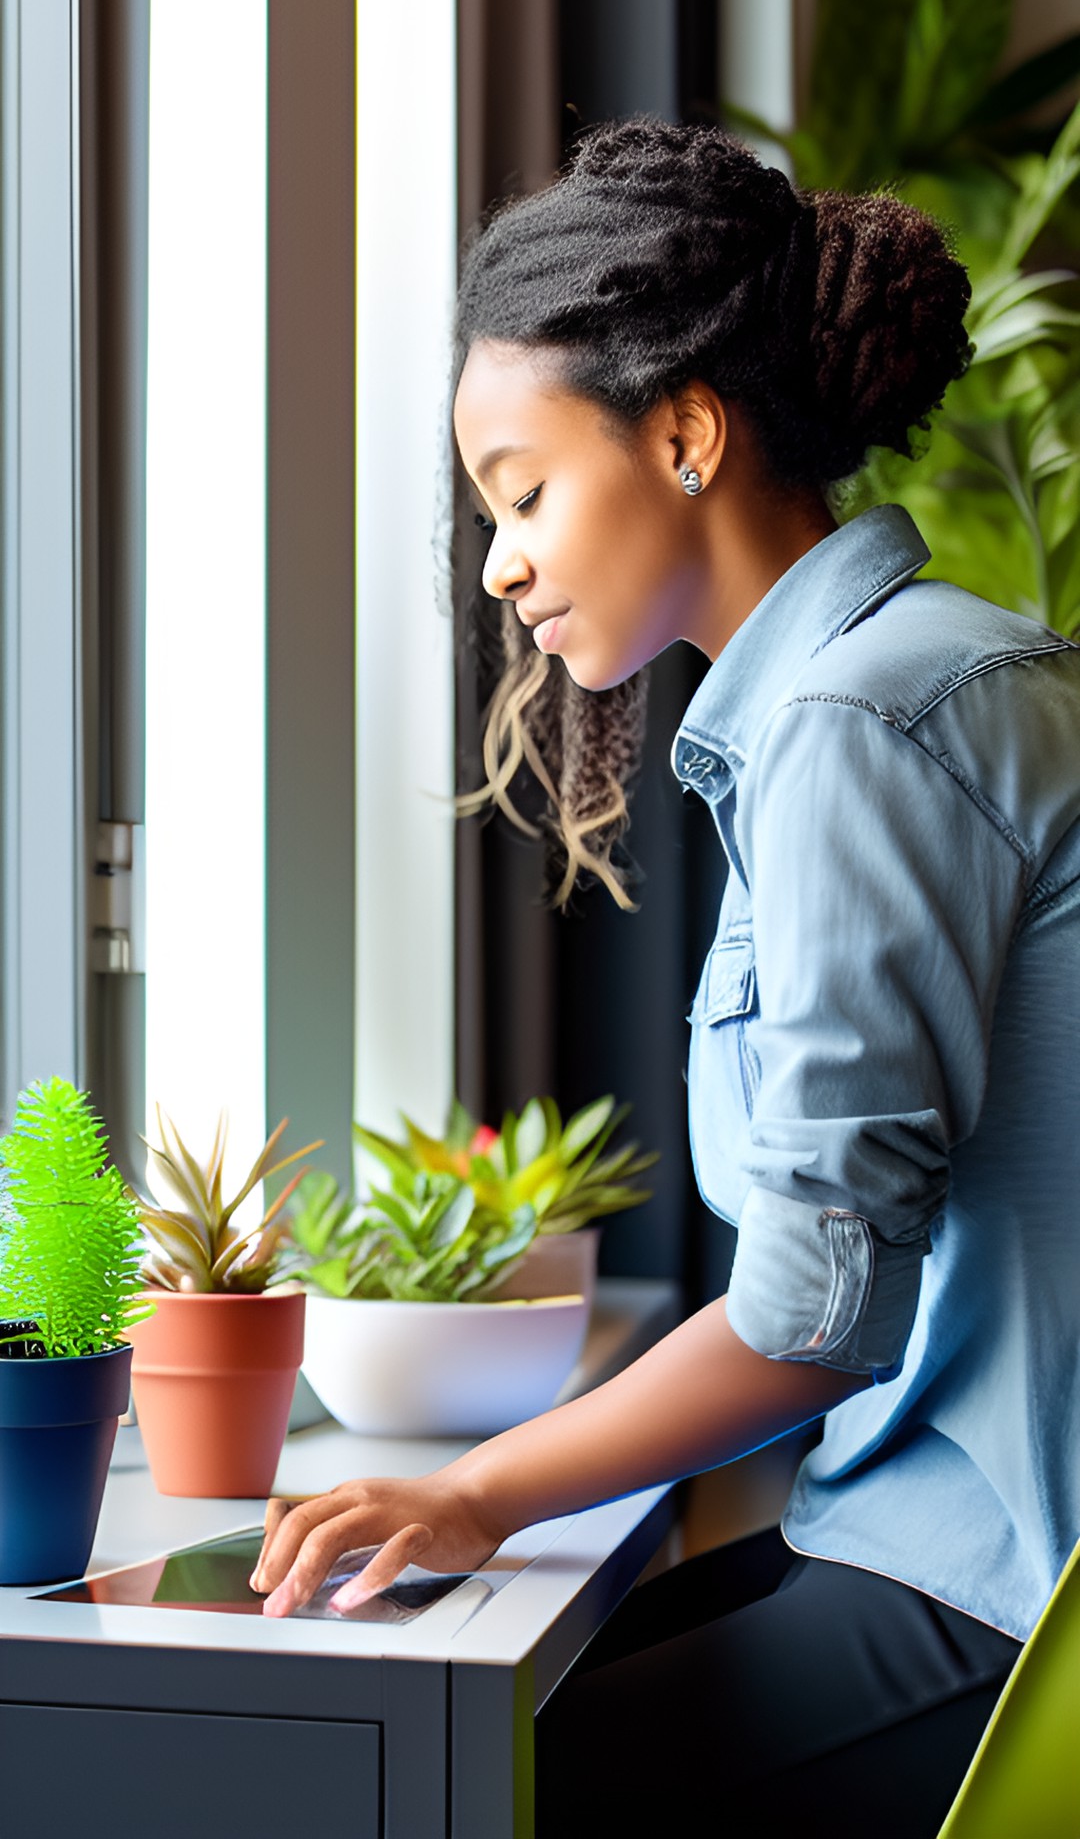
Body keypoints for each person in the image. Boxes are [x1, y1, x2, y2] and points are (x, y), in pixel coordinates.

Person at [250, 121, 1080, 1837]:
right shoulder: (927, 679)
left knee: (428, 1789)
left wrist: (476, 1490)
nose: (498, 562)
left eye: (524, 489)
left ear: (687, 431)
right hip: (958, 1546)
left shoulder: (861, 722)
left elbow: (811, 1316)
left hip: (1004, 1588)